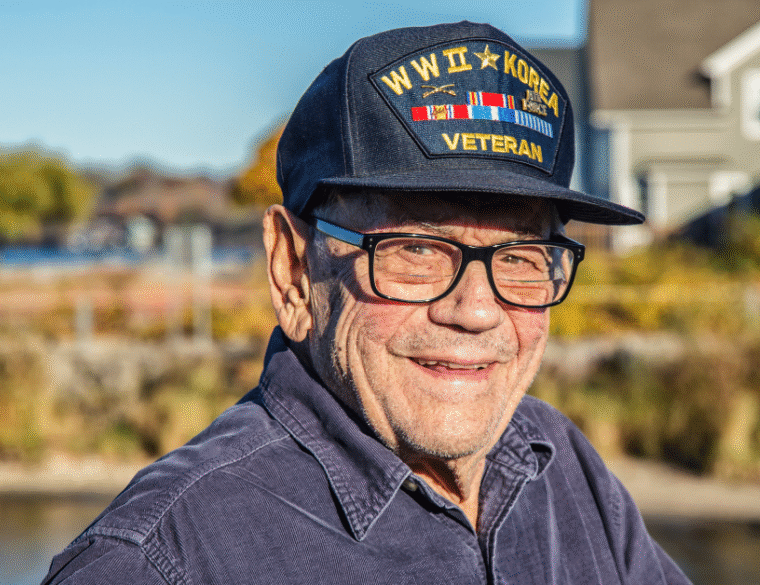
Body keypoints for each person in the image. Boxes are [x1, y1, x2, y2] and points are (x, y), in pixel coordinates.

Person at [43, 21, 691, 584]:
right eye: (416, 248)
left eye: (520, 257)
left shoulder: (560, 463)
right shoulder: (156, 562)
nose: (477, 310)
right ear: (293, 268)